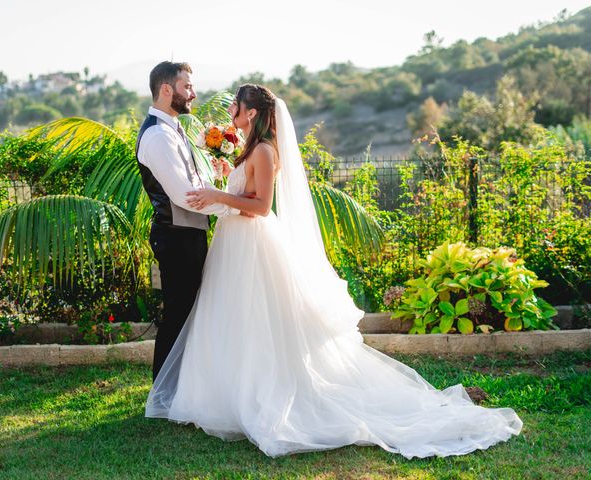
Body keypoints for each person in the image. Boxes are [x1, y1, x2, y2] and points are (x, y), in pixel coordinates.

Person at [145, 84, 523, 458]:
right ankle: (225, 394)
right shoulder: (249, 149)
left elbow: (260, 206)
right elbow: (245, 195)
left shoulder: (263, 149)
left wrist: (217, 196)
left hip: (252, 243)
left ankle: (258, 395)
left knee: (257, 322)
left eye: (237, 108)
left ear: (253, 114)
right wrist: (227, 178)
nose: (231, 113)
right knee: (235, 321)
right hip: (235, 243)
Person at [135, 61, 240, 382]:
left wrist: (223, 190)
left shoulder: (172, 130)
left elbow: (195, 182)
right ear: (166, 90)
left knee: (187, 313)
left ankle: (183, 387)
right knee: (178, 315)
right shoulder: (157, 136)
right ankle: (165, 390)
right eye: (187, 87)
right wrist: (233, 209)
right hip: (176, 236)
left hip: (187, 233)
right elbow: (185, 195)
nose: (193, 93)